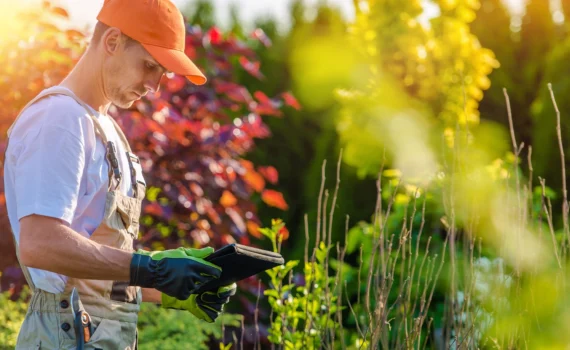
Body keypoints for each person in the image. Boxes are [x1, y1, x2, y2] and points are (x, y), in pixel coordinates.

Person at [4, 0, 236, 349]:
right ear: (111, 41)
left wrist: (171, 288)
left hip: (101, 335)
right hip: (64, 336)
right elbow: (41, 244)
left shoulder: (109, 131)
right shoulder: (59, 120)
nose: (154, 85)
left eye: (162, 74)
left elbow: (96, 276)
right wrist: (150, 267)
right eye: (148, 65)